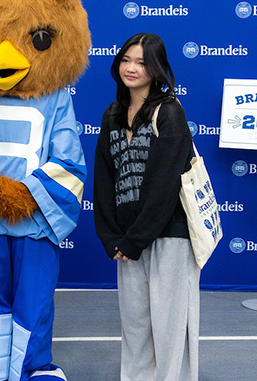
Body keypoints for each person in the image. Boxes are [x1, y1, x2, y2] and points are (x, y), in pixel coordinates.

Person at [93, 33, 200, 381]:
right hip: (128, 242)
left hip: (169, 237)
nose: (132, 68)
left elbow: (165, 185)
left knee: (170, 328)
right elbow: (104, 180)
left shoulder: (170, 113)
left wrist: (135, 239)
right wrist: (113, 238)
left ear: (156, 68)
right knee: (135, 327)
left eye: (141, 62)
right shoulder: (112, 115)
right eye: (126, 59)